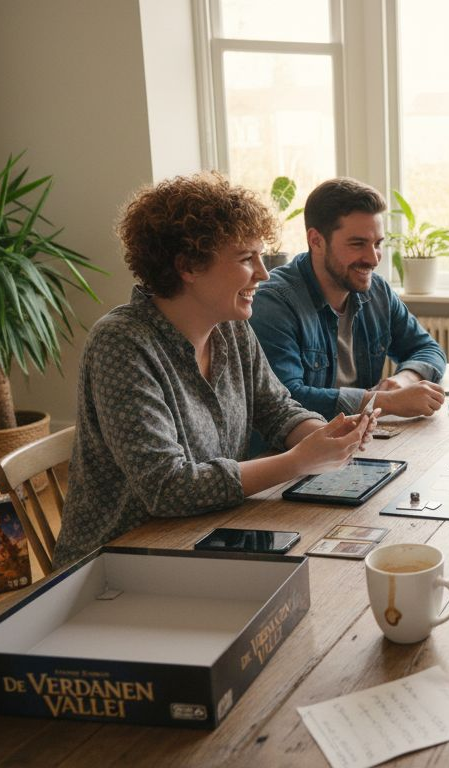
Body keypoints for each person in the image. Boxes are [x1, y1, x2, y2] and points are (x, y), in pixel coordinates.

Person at [55, 173, 374, 566]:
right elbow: (167, 488)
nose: (263, 273)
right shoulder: (121, 344)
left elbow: (276, 408)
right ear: (188, 266)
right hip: (119, 561)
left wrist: (325, 436)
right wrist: (298, 462)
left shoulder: (231, 328)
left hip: (208, 536)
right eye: (246, 259)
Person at [250, 177, 447, 420]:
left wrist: (404, 380)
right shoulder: (274, 302)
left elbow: (427, 348)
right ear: (316, 241)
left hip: (359, 440)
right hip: (293, 451)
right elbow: (286, 399)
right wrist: (383, 402)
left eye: (377, 244)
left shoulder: (377, 292)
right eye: (358, 244)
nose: (373, 259)